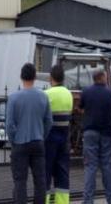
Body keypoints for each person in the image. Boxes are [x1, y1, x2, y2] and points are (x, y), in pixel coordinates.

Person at [6, 63, 53, 204]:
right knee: (40, 180)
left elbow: (9, 125)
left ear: (21, 77)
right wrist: (41, 136)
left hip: (20, 143)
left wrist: (14, 140)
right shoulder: (43, 96)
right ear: (35, 77)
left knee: (20, 181)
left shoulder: (13, 98)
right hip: (38, 142)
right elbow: (49, 121)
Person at [80, 69, 111, 204]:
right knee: (107, 166)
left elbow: (81, 107)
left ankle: (88, 200)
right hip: (106, 132)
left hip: (90, 131)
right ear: (102, 78)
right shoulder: (110, 92)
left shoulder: (86, 91)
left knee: (90, 166)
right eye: (106, 77)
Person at [45, 65, 73, 204]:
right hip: (64, 137)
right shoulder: (68, 94)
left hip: (49, 138)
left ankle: (46, 201)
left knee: (46, 172)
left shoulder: (47, 94)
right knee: (62, 172)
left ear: (51, 78)